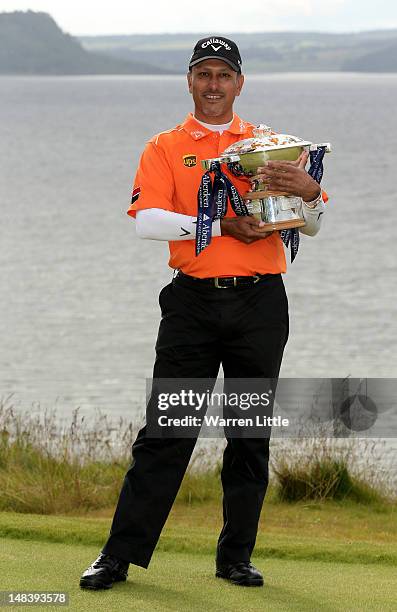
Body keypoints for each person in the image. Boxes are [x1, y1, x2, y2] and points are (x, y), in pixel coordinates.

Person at [80, 35, 326, 591]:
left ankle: (235, 558)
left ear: (240, 83)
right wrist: (219, 227)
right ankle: (118, 557)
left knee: (248, 433)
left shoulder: (270, 144)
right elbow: (147, 222)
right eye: (203, 74)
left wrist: (309, 192)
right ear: (189, 81)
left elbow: (309, 225)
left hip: (260, 301)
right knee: (167, 431)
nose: (213, 85)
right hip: (192, 303)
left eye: (223, 75)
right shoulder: (166, 146)